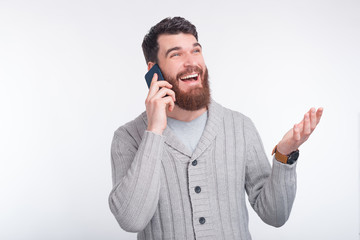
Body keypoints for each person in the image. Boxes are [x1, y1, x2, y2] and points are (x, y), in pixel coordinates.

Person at [108, 17, 323, 240]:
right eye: (176, 54)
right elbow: (131, 220)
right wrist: (154, 130)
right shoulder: (128, 137)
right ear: (154, 72)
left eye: (196, 51)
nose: (191, 62)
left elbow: (275, 216)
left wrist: (284, 156)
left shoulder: (239, 127)